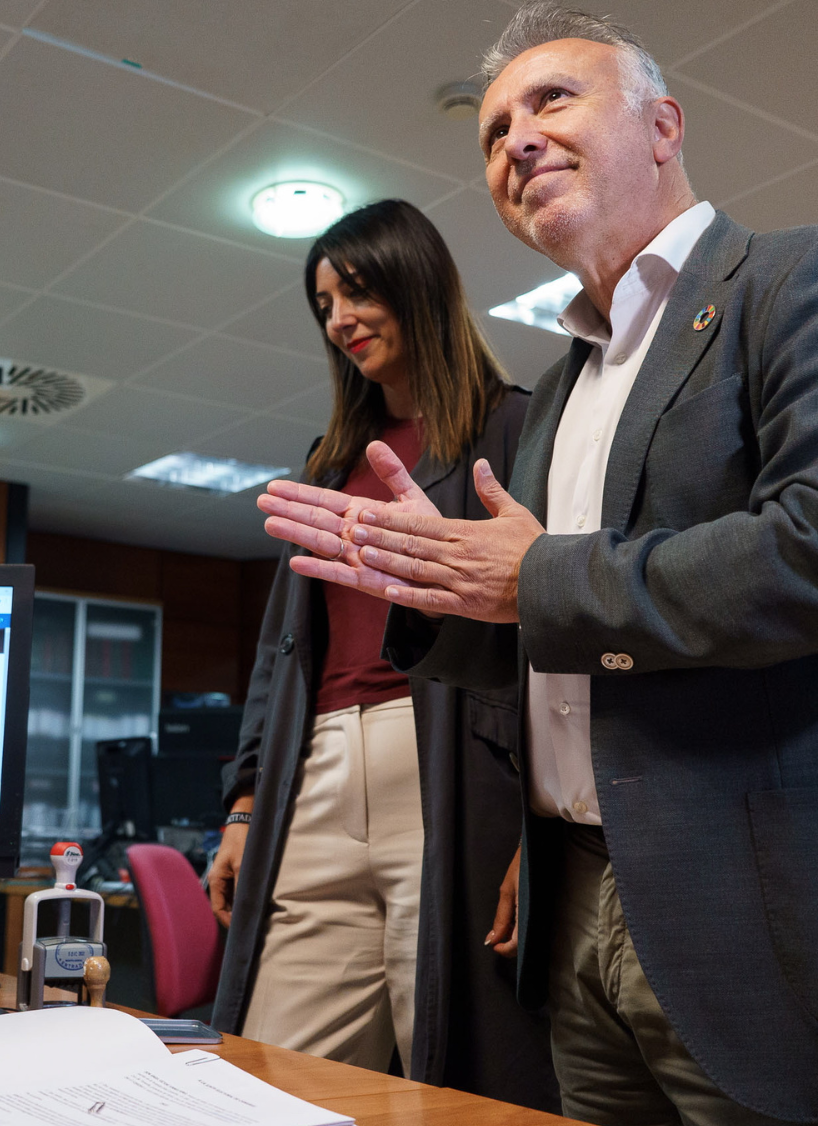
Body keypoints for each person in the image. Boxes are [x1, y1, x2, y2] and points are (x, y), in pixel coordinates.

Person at [257, 5, 818, 1125]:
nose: (513, 140)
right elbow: (560, 637)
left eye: (550, 100)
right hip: (577, 907)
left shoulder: (808, 281)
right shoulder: (558, 394)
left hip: (791, 926)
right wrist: (416, 578)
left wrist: (529, 580)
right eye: (490, 132)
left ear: (662, 125)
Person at [206, 199, 555, 1108]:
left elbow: (552, 636)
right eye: (324, 304)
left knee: (446, 1066)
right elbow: (281, 654)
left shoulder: (515, 431)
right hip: (314, 773)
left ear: (417, 283)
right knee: (266, 1075)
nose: (340, 320)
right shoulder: (327, 464)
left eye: (356, 292)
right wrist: (245, 800)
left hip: (446, 770)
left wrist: (539, 822)